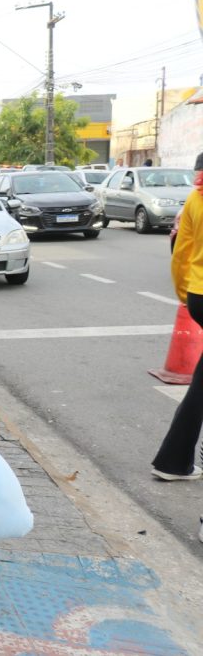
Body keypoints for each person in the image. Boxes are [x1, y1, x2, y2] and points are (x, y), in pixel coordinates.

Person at [152, 152, 203, 484]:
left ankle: (173, 461)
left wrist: (185, 295)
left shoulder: (195, 199)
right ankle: (172, 460)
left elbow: (181, 252)